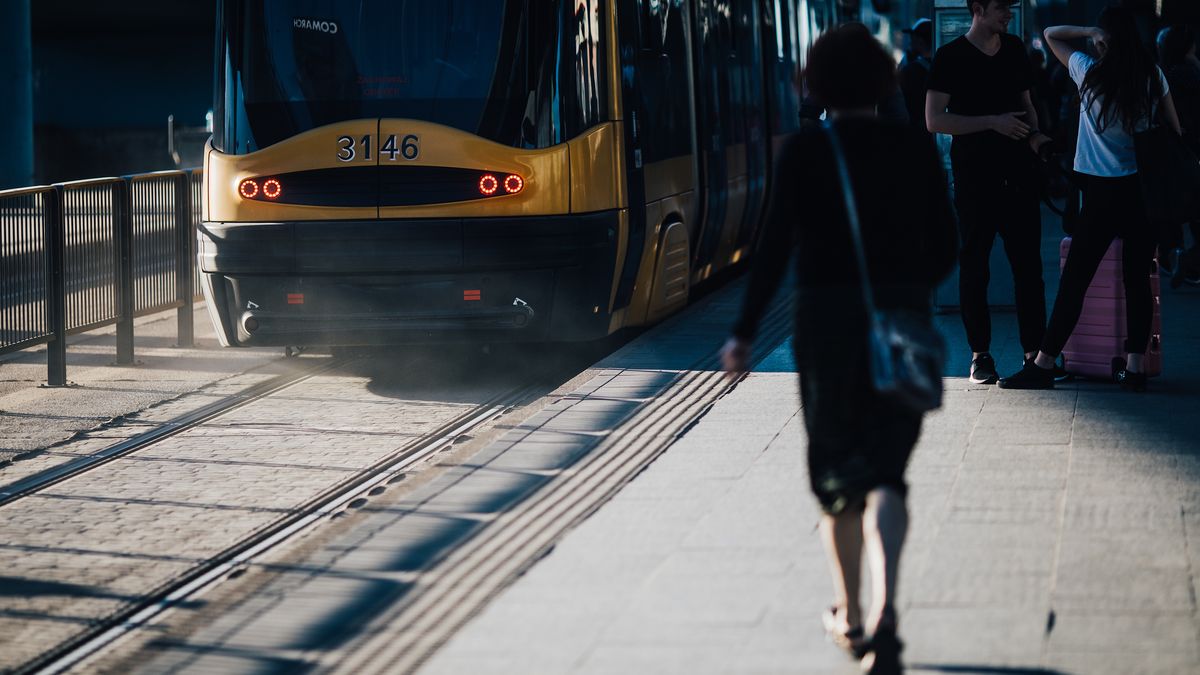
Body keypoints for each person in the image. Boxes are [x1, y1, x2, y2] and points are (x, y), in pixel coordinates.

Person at [721, 23, 957, 675]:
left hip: (825, 329)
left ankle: (850, 616)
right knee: (888, 473)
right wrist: (906, 291)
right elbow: (947, 244)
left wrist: (744, 332)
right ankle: (887, 611)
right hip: (900, 324)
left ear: (816, 85)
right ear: (883, 83)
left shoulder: (804, 151)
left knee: (838, 477)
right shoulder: (913, 147)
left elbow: (773, 250)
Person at [999, 5, 1181, 392]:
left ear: (1104, 39)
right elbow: (1175, 129)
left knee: (1076, 280)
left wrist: (1088, 31)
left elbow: (1051, 34)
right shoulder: (1152, 75)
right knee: (1136, 278)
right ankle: (1134, 368)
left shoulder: (1088, 71)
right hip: (1141, 190)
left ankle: (1044, 362)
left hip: (1099, 193)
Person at [925, 0, 1053, 384]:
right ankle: (980, 355)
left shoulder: (1013, 49)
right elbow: (934, 119)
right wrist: (993, 123)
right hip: (975, 179)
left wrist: (1035, 135)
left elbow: (1027, 105)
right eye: (1000, 7)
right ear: (978, 8)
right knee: (975, 266)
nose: (1008, 13)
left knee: (1028, 269)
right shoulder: (950, 56)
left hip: (1019, 176)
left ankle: (1035, 356)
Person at [1157, 24, 1200, 283]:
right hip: (1192, 148)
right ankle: (1188, 260)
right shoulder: (1189, 74)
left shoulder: (1161, 73)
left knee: (1178, 209)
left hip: (1170, 150)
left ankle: (1176, 255)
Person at [899, 18, 934, 136]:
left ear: (920, 41)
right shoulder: (942, 66)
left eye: (913, 38)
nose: (910, 42)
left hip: (915, 132)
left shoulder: (909, 71)